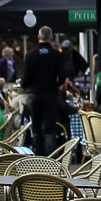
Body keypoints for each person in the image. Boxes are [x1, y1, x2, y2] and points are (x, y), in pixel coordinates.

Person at [22, 27, 67, 155]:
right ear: (51, 38)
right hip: (50, 94)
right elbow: (62, 76)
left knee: (36, 129)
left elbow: (25, 79)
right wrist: (55, 84)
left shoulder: (30, 55)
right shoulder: (56, 55)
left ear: (38, 37)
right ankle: (50, 159)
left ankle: (39, 157)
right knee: (49, 129)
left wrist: (28, 85)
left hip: (34, 95)